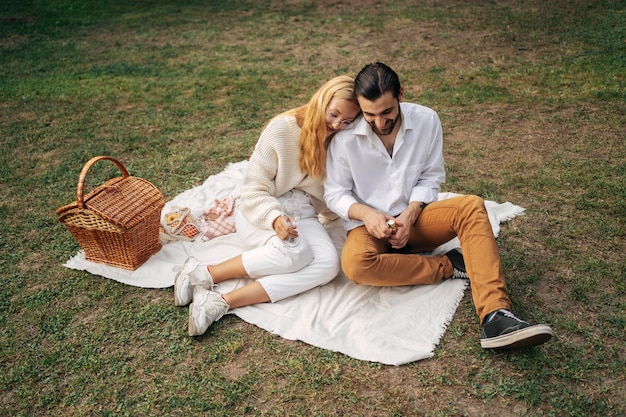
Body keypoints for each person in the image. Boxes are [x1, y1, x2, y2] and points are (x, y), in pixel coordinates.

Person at [324, 62, 553, 349]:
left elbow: (431, 176)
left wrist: (410, 214)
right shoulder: (345, 139)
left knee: (471, 206)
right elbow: (335, 193)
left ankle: (495, 315)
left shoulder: (427, 120)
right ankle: (450, 265)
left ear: (401, 96)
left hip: (417, 219)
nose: (380, 123)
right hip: (368, 226)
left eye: (387, 112)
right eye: (369, 114)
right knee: (356, 265)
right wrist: (368, 215)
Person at [175, 75, 361, 337]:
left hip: (305, 214)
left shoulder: (340, 141)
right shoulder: (282, 129)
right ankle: (203, 273)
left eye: (347, 121)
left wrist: (350, 219)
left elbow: (333, 192)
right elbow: (252, 188)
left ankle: (219, 302)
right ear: (322, 100)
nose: (337, 125)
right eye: (333, 115)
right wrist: (274, 219)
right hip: (261, 209)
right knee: (297, 253)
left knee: (329, 265)